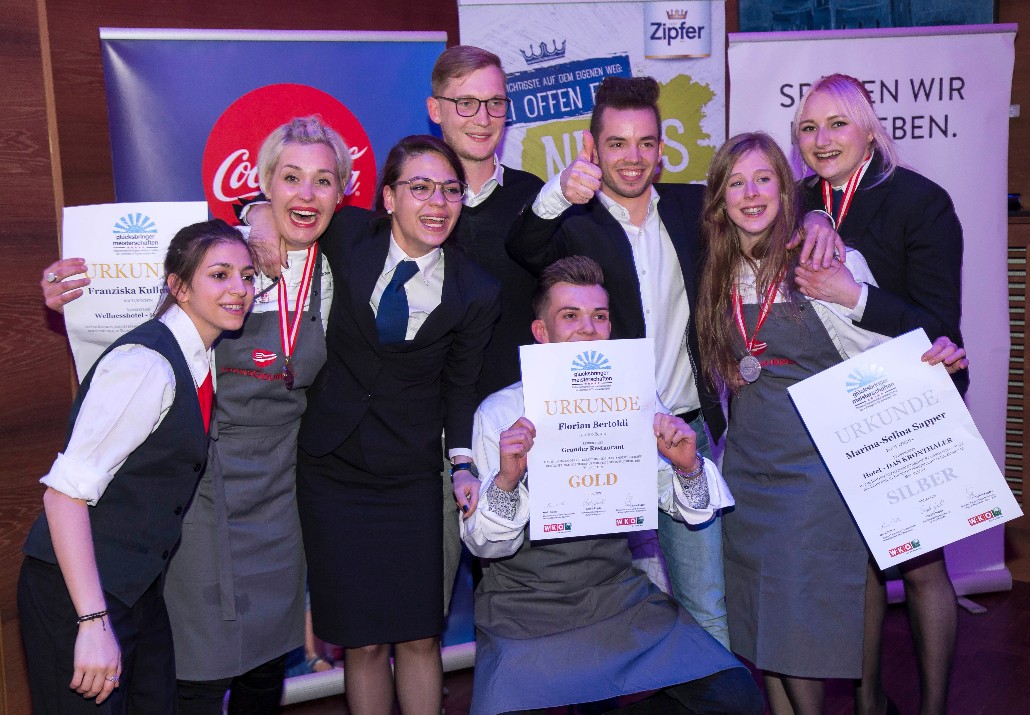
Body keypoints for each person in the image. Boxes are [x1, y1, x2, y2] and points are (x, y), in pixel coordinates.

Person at [39, 115, 350, 714]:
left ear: (342, 192)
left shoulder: (340, 267)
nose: (306, 195)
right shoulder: (220, 251)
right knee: (194, 674)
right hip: (199, 498)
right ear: (264, 184)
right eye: (291, 178)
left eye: (322, 180)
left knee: (265, 671)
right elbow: (132, 317)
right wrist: (70, 295)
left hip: (279, 500)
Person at [695, 132, 966, 715]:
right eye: (736, 183)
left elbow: (880, 349)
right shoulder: (719, 270)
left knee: (798, 627)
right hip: (748, 467)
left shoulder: (825, 260)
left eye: (763, 179)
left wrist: (932, 359)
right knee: (763, 621)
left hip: (816, 470)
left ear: (785, 189)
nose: (751, 193)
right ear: (719, 199)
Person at [253, 134, 499, 715]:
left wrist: (463, 464)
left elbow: (460, 387)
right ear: (388, 198)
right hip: (332, 471)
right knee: (360, 642)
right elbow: (285, 210)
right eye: (421, 188)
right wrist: (260, 220)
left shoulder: (476, 289)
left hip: (413, 476)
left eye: (450, 190)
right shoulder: (347, 235)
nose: (437, 203)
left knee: (419, 635)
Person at [461, 255, 763, 715]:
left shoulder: (635, 401)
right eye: (570, 316)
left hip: (616, 597)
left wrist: (686, 467)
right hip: (526, 608)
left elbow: (691, 509)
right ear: (541, 332)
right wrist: (507, 480)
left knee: (735, 696)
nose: (588, 328)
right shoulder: (501, 414)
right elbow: (486, 546)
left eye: (599, 316)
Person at [506, 75, 731, 645]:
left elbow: (766, 215)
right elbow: (521, 247)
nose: (633, 157)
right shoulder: (571, 222)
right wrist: (559, 193)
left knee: (706, 605)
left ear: (661, 147)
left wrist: (816, 220)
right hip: (595, 439)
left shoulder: (692, 208)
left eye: (646, 142)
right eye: (617, 143)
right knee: (601, 612)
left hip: (682, 435)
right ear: (592, 146)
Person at [19, 219, 255, 713]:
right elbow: (63, 497)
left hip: (136, 589)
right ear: (178, 287)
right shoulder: (146, 365)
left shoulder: (196, 355)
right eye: (219, 275)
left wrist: (262, 220)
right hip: (77, 593)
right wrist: (91, 623)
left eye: (247, 276)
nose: (239, 288)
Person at [792, 74, 966, 715]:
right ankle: (871, 705)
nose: (822, 139)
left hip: (908, 400)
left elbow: (942, 327)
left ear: (869, 131)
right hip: (828, 408)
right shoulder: (796, 200)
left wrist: (855, 296)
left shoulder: (921, 201)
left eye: (837, 123)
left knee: (921, 567)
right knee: (857, 565)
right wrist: (812, 212)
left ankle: (933, 708)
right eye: (808, 128)